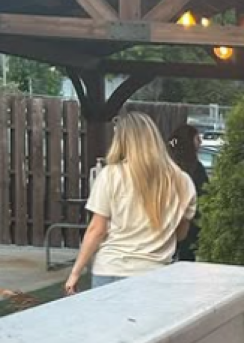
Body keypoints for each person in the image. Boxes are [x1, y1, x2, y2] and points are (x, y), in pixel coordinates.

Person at [64, 112, 197, 294]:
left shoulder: (111, 175)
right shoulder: (182, 181)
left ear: (121, 141)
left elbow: (97, 229)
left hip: (112, 268)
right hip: (156, 272)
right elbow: (180, 234)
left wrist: (75, 272)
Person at [168, 123, 209, 262]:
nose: (201, 142)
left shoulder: (168, 166)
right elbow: (204, 195)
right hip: (190, 226)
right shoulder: (196, 169)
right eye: (197, 138)